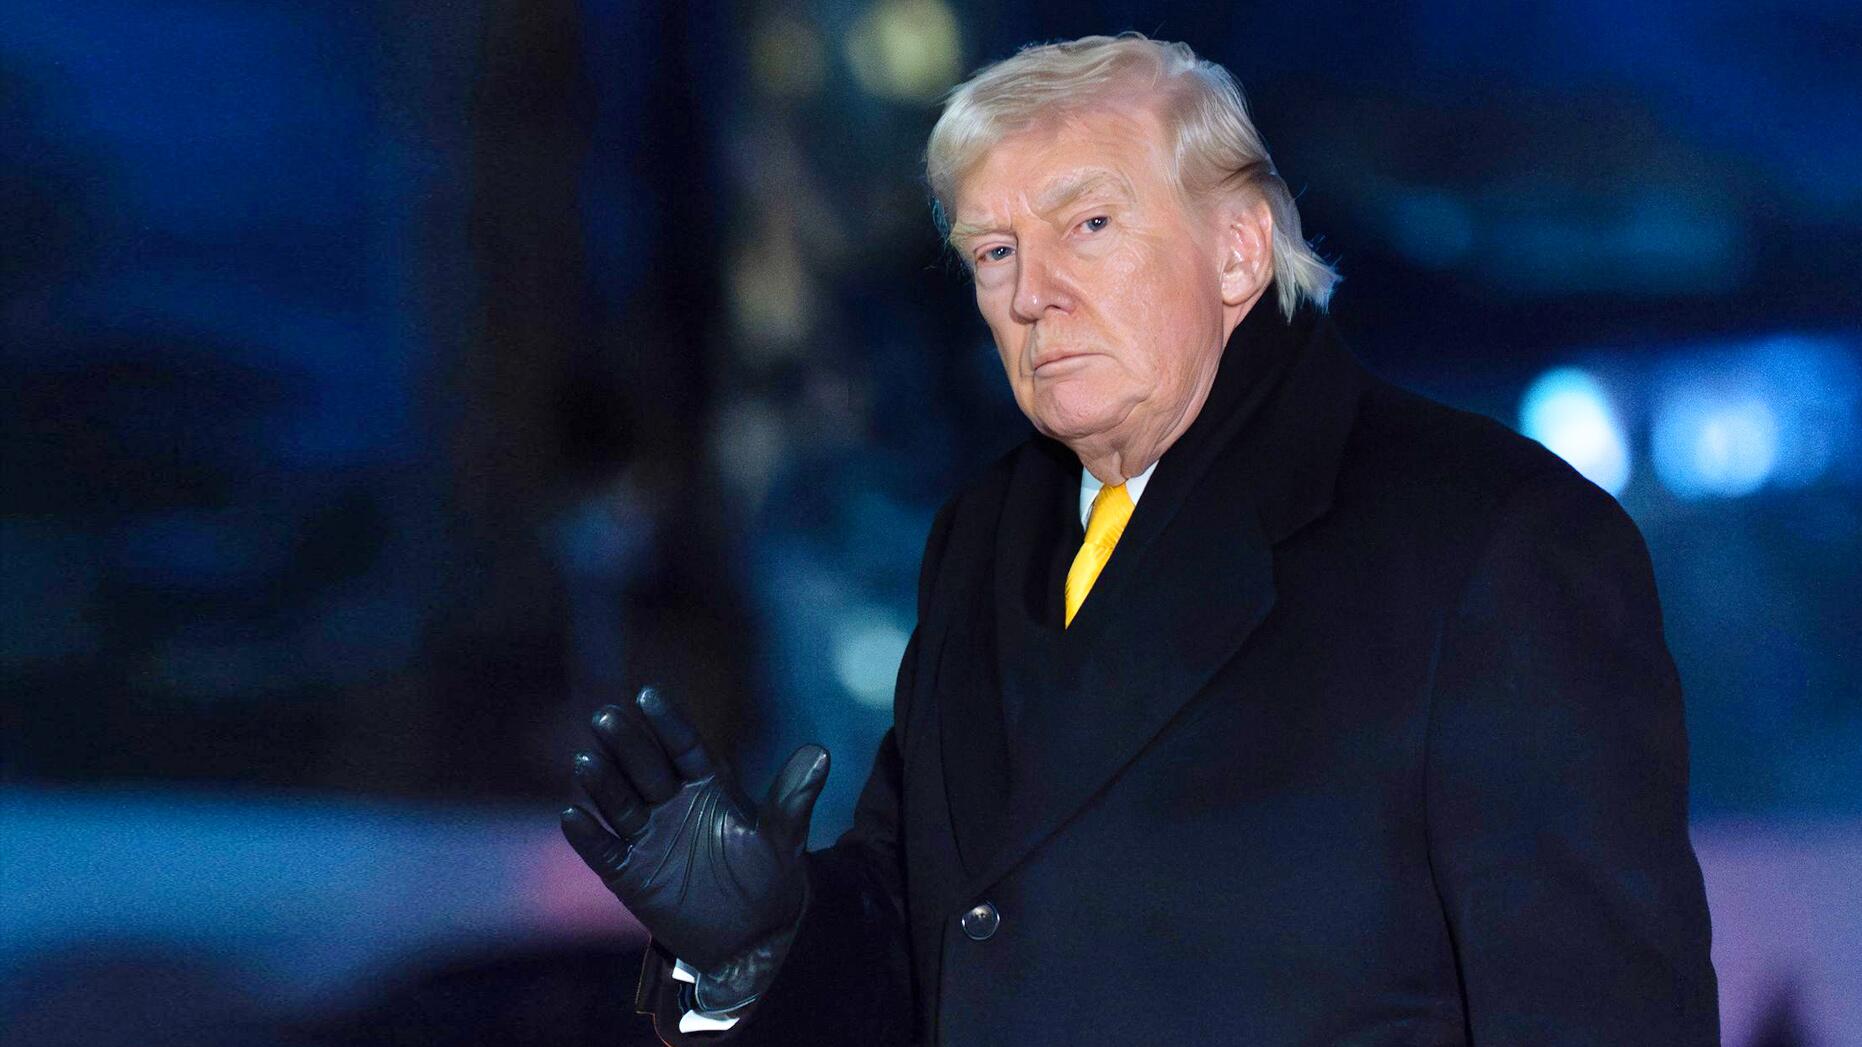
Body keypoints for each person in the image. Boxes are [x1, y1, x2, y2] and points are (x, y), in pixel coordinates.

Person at [560, 33, 1720, 1045]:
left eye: (1089, 225)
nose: (1031, 294)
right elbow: (954, 957)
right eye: (993, 252)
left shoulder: (1492, 539)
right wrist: (754, 950)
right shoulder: (985, 534)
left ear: (1238, 250)